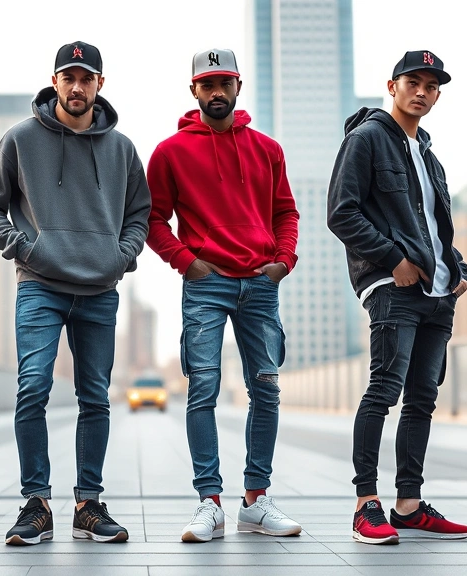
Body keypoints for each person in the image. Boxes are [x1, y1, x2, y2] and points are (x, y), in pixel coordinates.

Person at [0, 41, 150, 546]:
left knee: (95, 396)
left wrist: (121, 256)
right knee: (33, 388)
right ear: (55, 82)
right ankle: (36, 504)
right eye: (67, 77)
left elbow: (140, 213)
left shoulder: (121, 149)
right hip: (41, 287)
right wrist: (25, 249)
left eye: (86, 78)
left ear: (100, 84)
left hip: (99, 289)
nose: (77, 87)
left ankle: (88, 504)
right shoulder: (20, 139)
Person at [146, 48, 302, 543]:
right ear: (193, 90)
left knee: (266, 389)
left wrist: (283, 262)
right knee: (203, 390)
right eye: (207, 83)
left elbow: (286, 213)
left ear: (238, 87)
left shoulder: (267, 149)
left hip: (260, 282)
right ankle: (208, 502)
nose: (216, 91)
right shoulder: (170, 152)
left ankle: (255, 502)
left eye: (225, 82)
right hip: (206, 283)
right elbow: (152, 221)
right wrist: (187, 262)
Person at [326, 50, 467, 545]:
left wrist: (459, 268)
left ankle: (408, 505)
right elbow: (342, 214)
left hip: (437, 293)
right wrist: (393, 261)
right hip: (393, 287)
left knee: (422, 401)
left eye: (432, 86)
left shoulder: (428, 155)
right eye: (414, 81)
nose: (423, 92)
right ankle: (366, 505)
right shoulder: (366, 139)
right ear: (392, 86)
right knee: (383, 391)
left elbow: (434, 229)